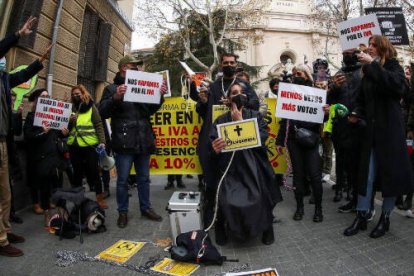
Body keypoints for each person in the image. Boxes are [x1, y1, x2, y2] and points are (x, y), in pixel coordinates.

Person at [343, 35, 414, 238]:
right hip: (370, 132)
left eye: (374, 46)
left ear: (382, 48)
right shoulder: (366, 70)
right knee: (367, 175)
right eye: (370, 46)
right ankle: (362, 215)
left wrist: (373, 66)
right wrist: (356, 112)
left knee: (390, 177)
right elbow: (362, 99)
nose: (370, 48)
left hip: (390, 132)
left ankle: (385, 217)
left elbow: (397, 87)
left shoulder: (393, 66)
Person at [99, 55, 167, 228]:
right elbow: (102, 112)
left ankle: (146, 208)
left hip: (143, 139)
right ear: (124, 68)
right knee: (122, 180)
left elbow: (151, 110)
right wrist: (116, 97)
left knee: (144, 178)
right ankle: (123, 212)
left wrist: (159, 95)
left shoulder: (141, 86)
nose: (137, 68)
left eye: (138, 66)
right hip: (124, 141)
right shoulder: (112, 88)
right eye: (133, 66)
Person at [210, 82, 282, 245]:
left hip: (253, 166)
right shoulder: (220, 119)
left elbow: (262, 139)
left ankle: (267, 227)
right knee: (225, 197)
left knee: (261, 194)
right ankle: (221, 226)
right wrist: (215, 148)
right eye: (234, 92)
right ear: (228, 99)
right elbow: (213, 143)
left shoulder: (255, 115)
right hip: (230, 168)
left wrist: (240, 121)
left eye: (242, 92)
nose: (238, 95)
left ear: (247, 96)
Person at [195, 53, 260, 227]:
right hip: (212, 136)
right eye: (225, 63)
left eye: (232, 63)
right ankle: (213, 218)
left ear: (236, 64)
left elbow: (255, 105)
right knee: (211, 179)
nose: (229, 65)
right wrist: (202, 101)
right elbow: (202, 112)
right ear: (221, 65)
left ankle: (243, 219)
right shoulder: (213, 87)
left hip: (238, 138)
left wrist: (235, 100)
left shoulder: (243, 86)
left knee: (239, 179)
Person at [276, 64, 325, 223]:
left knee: (315, 176)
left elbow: (322, 118)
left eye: (299, 73)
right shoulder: (288, 92)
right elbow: (285, 119)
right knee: (298, 176)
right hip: (293, 140)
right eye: (294, 73)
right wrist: (279, 140)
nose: (296, 76)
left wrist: (326, 112)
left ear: (307, 75)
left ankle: (318, 209)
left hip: (311, 139)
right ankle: (299, 208)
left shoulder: (317, 93)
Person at [24, 89, 69, 226]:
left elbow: (58, 136)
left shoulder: (54, 115)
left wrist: (64, 133)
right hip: (41, 158)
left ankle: (62, 214)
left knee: (58, 186)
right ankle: (48, 216)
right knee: (44, 188)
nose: (46, 98)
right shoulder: (32, 117)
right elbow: (29, 136)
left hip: (55, 157)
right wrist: (43, 132)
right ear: (37, 100)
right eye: (43, 96)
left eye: (47, 96)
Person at [67, 84, 108, 209]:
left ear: (83, 94)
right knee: (77, 175)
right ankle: (77, 200)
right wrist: (70, 122)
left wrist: (102, 141)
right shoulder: (69, 108)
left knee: (94, 173)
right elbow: (64, 127)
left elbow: (98, 125)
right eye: (73, 95)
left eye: (77, 94)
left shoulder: (91, 107)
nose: (75, 96)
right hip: (74, 146)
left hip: (90, 145)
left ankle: (99, 198)